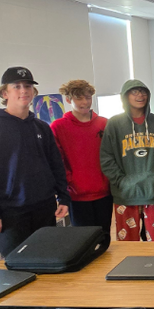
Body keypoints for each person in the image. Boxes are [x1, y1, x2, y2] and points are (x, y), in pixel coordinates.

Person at [0, 66, 70, 309]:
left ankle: (41, 305)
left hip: (43, 205)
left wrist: (63, 195)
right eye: (17, 86)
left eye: (28, 86)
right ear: (4, 93)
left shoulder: (40, 127)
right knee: (13, 262)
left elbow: (55, 164)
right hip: (9, 210)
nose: (24, 91)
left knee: (43, 259)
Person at [99, 78, 154, 243]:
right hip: (126, 194)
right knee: (127, 245)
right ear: (125, 96)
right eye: (134, 92)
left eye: (143, 92)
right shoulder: (114, 124)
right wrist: (121, 181)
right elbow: (106, 157)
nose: (140, 95)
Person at [51, 78, 111, 248]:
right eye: (79, 98)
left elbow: (111, 156)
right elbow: (58, 161)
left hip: (104, 192)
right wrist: (69, 183)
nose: (85, 102)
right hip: (77, 195)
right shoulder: (58, 127)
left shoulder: (104, 124)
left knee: (104, 238)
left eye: (88, 97)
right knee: (84, 243)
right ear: (68, 99)